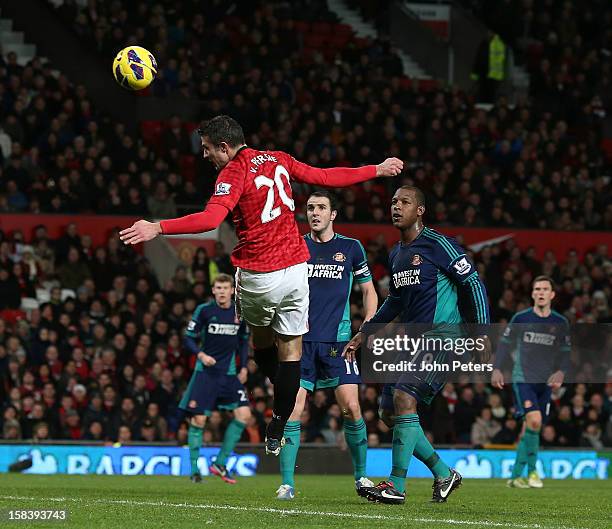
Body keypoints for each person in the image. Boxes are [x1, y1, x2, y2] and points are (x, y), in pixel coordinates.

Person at [120, 115, 403, 454]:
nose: (205, 155)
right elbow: (326, 176)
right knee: (292, 355)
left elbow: (211, 219)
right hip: (298, 270)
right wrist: (377, 168)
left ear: (225, 147)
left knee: (262, 347)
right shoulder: (278, 158)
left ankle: (279, 399)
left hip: (259, 275)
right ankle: (278, 423)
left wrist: (158, 227)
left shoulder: (233, 172)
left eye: (208, 149)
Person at [343, 185, 490, 504]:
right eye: (393, 201)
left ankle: (396, 485)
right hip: (412, 343)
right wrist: (365, 332)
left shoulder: (439, 245)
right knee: (387, 412)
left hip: (443, 340)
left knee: (402, 397)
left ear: (420, 210)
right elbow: (394, 300)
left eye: (404, 202)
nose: (396, 207)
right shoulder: (396, 254)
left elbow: (473, 284)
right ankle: (444, 473)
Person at [276, 191, 378, 500]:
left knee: (352, 407)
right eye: (310, 208)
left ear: (333, 214)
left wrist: (368, 326)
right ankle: (287, 484)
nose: (315, 212)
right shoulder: (296, 246)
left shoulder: (350, 248)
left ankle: (361, 478)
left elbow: (369, 291)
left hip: (338, 343)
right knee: (293, 410)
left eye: (321, 207)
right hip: (300, 341)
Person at [492, 275, 570, 489]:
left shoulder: (560, 323)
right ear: (533, 294)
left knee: (530, 428)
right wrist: (497, 368)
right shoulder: (521, 318)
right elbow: (505, 344)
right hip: (523, 378)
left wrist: (561, 372)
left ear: (552, 294)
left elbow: (565, 353)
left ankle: (516, 476)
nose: (541, 292)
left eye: (545, 289)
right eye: (537, 289)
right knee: (535, 421)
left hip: (545, 383)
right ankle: (534, 472)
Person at [179, 273, 251, 484]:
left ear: (232, 290)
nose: (221, 292)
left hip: (229, 374)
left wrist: (245, 367)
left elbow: (244, 342)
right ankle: (194, 470)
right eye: (217, 288)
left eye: (225, 288)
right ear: (213, 291)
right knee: (199, 420)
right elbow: (189, 338)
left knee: (244, 415)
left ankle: (220, 463)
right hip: (206, 373)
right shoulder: (204, 310)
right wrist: (200, 355)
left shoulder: (240, 312)